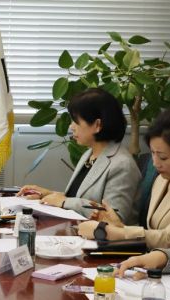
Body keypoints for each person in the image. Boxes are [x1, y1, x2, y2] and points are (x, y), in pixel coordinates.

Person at [18, 88, 139, 221]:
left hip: (99, 234)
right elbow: (78, 198)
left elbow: (114, 218)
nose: (71, 126)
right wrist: (47, 194)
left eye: (76, 121)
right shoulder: (89, 154)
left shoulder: (122, 165)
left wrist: (64, 202)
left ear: (97, 125)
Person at [79, 109, 170, 248]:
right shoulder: (162, 179)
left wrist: (111, 232)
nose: (155, 163)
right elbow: (153, 233)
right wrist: (119, 226)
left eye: (163, 157)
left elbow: (166, 239)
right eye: (153, 153)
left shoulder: (123, 163)